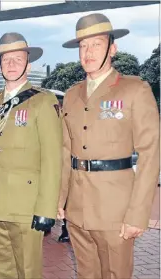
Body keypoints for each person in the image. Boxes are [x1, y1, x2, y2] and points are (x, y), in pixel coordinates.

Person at [58, 13, 160, 279]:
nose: (88, 52)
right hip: (78, 208)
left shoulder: (134, 90)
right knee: (86, 274)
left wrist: (138, 214)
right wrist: (60, 199)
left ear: (112, 49)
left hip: (116, 209)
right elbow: (64, 151)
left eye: (96, 44)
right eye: (83, 46)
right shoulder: (71, 95)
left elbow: (151, 153)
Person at [0, 32, 63, 278]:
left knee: (28, 272)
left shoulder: (42, 101)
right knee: (0, 270)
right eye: (6, 59)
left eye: (18, 58)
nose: (12, 64)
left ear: (28, 63)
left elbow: (52, 158)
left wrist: (47, 208)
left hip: (27, 207)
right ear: (0, 65)